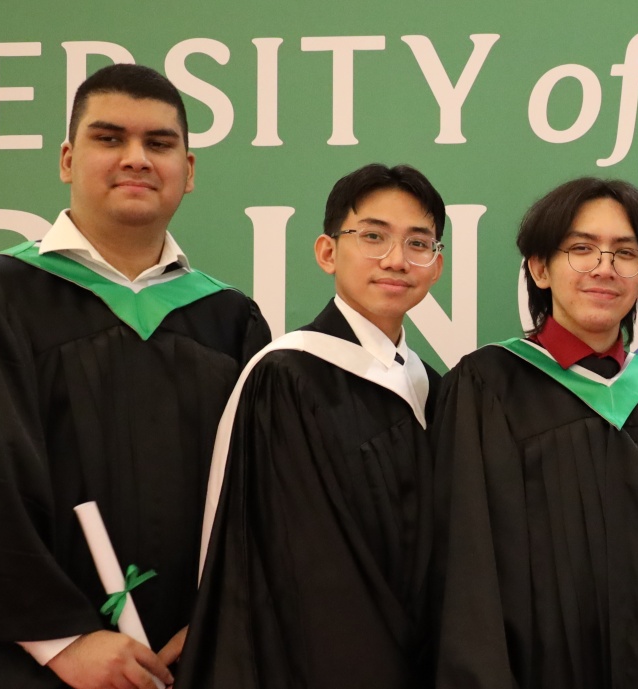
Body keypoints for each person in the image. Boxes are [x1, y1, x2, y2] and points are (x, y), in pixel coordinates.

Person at [0, 63, 270, 689]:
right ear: (68, 159)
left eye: (159, 143)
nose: (136, 158)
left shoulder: (229, 322)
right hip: (21, 664)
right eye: (109, 138)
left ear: (189, 169)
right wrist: (64, 639)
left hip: (189, 666)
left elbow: (260, 503)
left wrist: (214, 625)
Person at [179, 163, 448, 688]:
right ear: (328, 252)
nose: (396, 260)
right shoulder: (289, 379)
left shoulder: (434, 389)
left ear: (436, 267)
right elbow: (310, 576)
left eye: (419, 244)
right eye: (373, 236)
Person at [431, 177, 638, 688]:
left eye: (625, 254)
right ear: (540, 268)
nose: (604, 267)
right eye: (582, 249)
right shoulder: (486, 387)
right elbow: (465, 571)